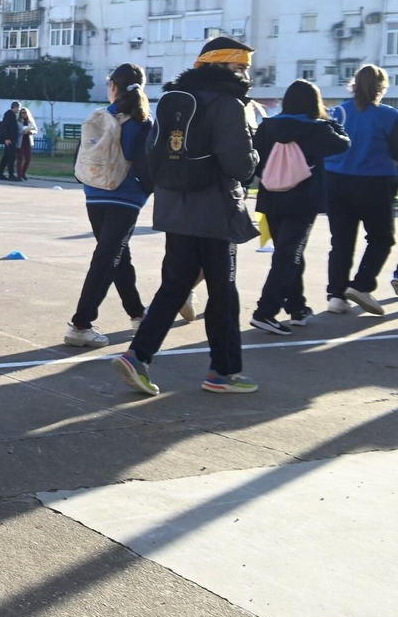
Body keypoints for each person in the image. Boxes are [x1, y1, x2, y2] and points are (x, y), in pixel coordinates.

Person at [114, 36, 260, 397]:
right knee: (223, 291)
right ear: (222, 65)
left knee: (175, 285)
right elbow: (239, 164)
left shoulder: (172, 101)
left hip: (174, 207)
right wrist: (255, 158)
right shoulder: (229, 104)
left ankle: (138, 356)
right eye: (239, 66)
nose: (244, 73)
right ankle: (223, 373)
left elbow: (152, 152)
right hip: (215, 209)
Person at [249, 80, 348, 333]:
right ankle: (266, 310)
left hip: (271, 196)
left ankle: (297, 307)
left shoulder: (268, 126)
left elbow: (255, 160)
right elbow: (344, 143)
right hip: (303, 199)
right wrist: (329, 119)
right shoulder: (318, 129)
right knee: (288, 254)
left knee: (287, 252)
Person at [64, 64, 152, 347]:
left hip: (94, 194)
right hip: (125, 197)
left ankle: (138, 314)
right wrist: (146, 189)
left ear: (113, 85)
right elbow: (145, 163)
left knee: (116, 256)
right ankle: (80, 324)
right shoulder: (142, 120)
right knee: (107, 258)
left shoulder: (99, 117)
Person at [322, 65, 398, 315]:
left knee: (341, 241)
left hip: (335, 180)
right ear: (382, 87)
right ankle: (362, 285)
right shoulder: (390, 116)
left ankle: (336, 295)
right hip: (374, 182)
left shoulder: (337, 112)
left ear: (353, 84)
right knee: (381, 238)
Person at [0, 102, 21, 181]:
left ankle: (0, 173)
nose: (19, 110)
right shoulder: (9, 114)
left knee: (6, 157)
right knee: (11, 157)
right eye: (18, 108)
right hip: (10, 140)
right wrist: (6, 138)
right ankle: (11, 174)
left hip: (11, 139)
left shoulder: (12, 115)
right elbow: (4, 126)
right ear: (15, 107)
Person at [16, 106, 38, 180]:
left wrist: (31, 132)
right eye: (22, 113)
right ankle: (19, 175)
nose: (24, 114)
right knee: (20, 159)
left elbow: (36, 130)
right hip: (20, 142)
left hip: (28, 141)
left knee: (28, 159)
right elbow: (16, 131)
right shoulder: (18, 121)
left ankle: (23, 173)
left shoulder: (30, 121)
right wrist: (22, 132)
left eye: (25, 112)